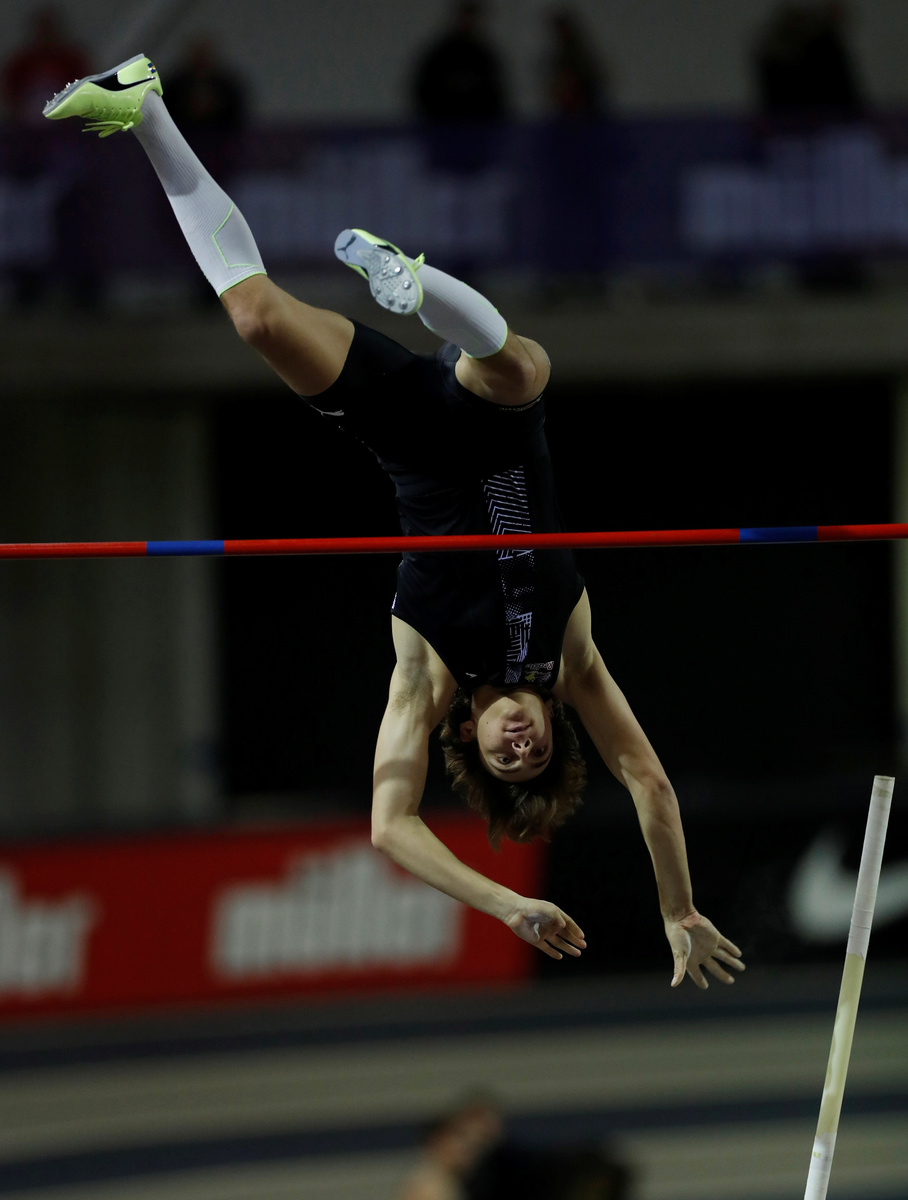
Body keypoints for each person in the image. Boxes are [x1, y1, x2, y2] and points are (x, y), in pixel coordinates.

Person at [43, 54, 746, 988]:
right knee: (515, 370)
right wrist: (678, 909)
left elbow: (389, 826)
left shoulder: (424, 674)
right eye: (538, 752)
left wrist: (507, 905)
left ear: (474, 745)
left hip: (407, 436)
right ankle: (417, 283)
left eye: (508, 763)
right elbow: (649, 783)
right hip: (500, 423)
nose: (522, 747)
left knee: (255, 318)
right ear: (554, 723)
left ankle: (145, 108)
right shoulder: (571, 660)